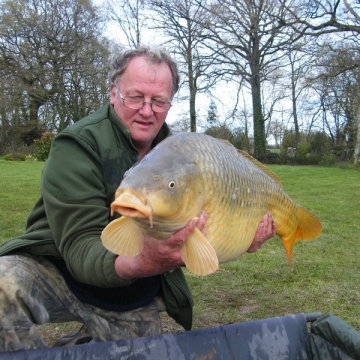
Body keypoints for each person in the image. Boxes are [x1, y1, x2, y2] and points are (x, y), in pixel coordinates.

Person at [0, 45, 276, 351]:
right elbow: (80, 247)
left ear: (170, 104)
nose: (147, 110)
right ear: (113, 93)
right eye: (136, 97)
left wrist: (242, 237)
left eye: (158, 101)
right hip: (59, 269)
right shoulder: (77, 144)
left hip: (130, 292)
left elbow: (196, 238)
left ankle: (81, 344)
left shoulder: (181, 156)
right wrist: (144, 261)